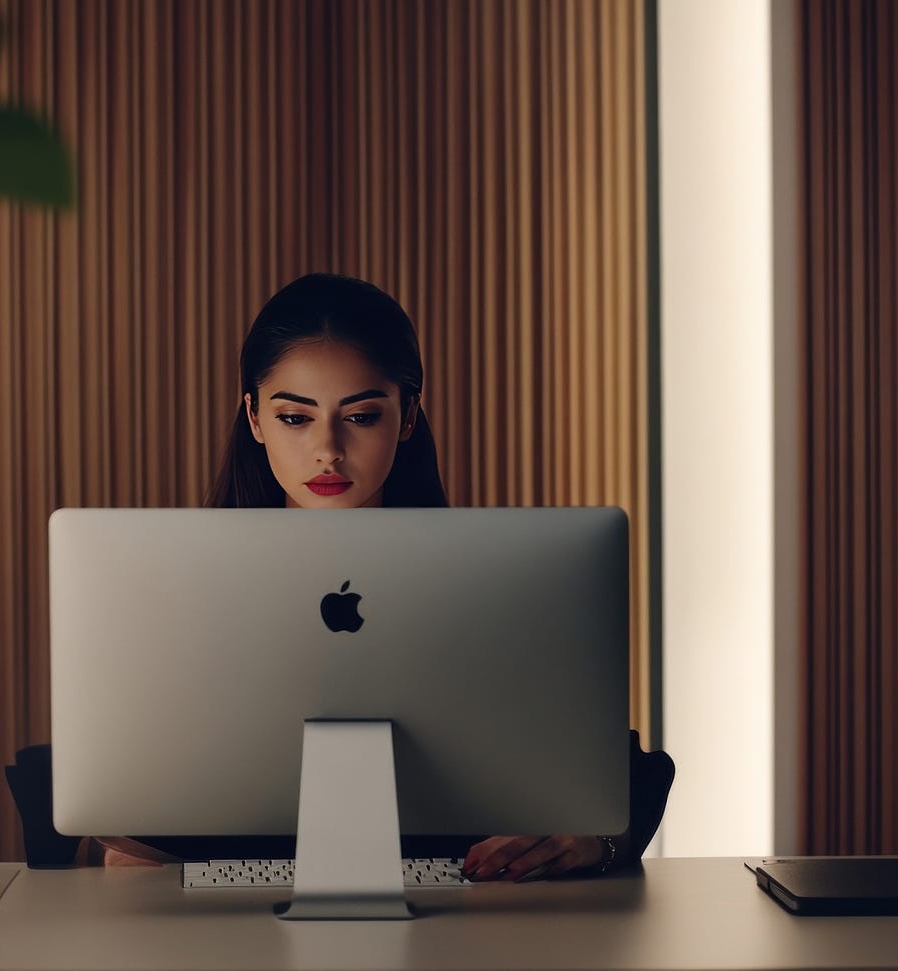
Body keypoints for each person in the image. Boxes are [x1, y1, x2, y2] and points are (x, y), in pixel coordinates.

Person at [101, 272, 673, 880]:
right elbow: (126, 811)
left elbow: (606, 769)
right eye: (296, 417)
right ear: (255, 417)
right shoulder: (181, 589)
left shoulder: (491, 582)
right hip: (230, 924)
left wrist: (595, 840)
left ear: (406, 417)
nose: (328, 449)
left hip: (458, 919)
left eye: (363, 415)